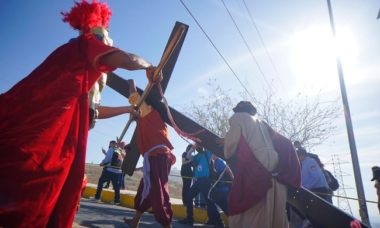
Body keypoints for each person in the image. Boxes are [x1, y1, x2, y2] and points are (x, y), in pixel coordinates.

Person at [0, 1, 158, 227]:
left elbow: (90, 112)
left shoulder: (79, 71)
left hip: (64, 140)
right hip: (52, 141)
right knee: (40, 197)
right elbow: (124, 59)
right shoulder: (86, 45)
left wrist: (127, 109)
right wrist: (149, 66)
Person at [222, 101, 297, 228]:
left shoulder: (238, 118)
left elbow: (229, 149)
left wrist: (226, 142)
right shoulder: (262, 123)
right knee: (274, 215)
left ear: (239, 110)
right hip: (275, 171)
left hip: (256, 170)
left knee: (250, 216)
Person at [123, 79, 176, 228]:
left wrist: (131, 84)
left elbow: (135, 99)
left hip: (158, 156)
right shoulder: (145, 119)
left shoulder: (149, 111)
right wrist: (134, 118)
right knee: (145, 188)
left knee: (157, 191)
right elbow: (135, 113)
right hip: (154, 157)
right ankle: (135, 221)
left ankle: (167, 224)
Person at [179, 144, 224, 227]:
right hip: (197, 181)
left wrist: (203, 142)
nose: (199, 147)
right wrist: (193, 147)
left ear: (203, 146)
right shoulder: (196, 156)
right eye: (197, 146)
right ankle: (190, 219)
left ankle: (219, 223)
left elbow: (214, 148)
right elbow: (188, 156)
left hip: (205, 181)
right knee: (188, 197)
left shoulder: (207, 153)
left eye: (200, 146)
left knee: (210, 202)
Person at [94, 140, 123, 204]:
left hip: (110, 170)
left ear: (112, 144)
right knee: (116, 186)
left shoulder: (111, 149)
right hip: (118, 171)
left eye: (110, 144)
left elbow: (108, 158)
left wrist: (102, 163)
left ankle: (97, 197)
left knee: (101, 181)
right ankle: (116, 201)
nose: (109, 145)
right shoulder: (120, 150)